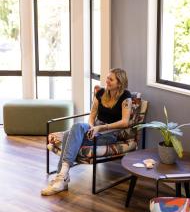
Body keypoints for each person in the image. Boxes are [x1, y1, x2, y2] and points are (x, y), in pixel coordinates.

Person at [41, 68, 132, 196]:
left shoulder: (125, 96)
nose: (107, 81)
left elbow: (125, 122)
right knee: (77, 127)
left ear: (119, 83)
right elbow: (92, 115)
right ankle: (62, 178)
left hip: (110, 132)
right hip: (94, 129)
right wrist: (91, 127)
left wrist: (100, 128)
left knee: (68, 135)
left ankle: (61, 178)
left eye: (111, 79)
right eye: (107, 78)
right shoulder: (100, 93)